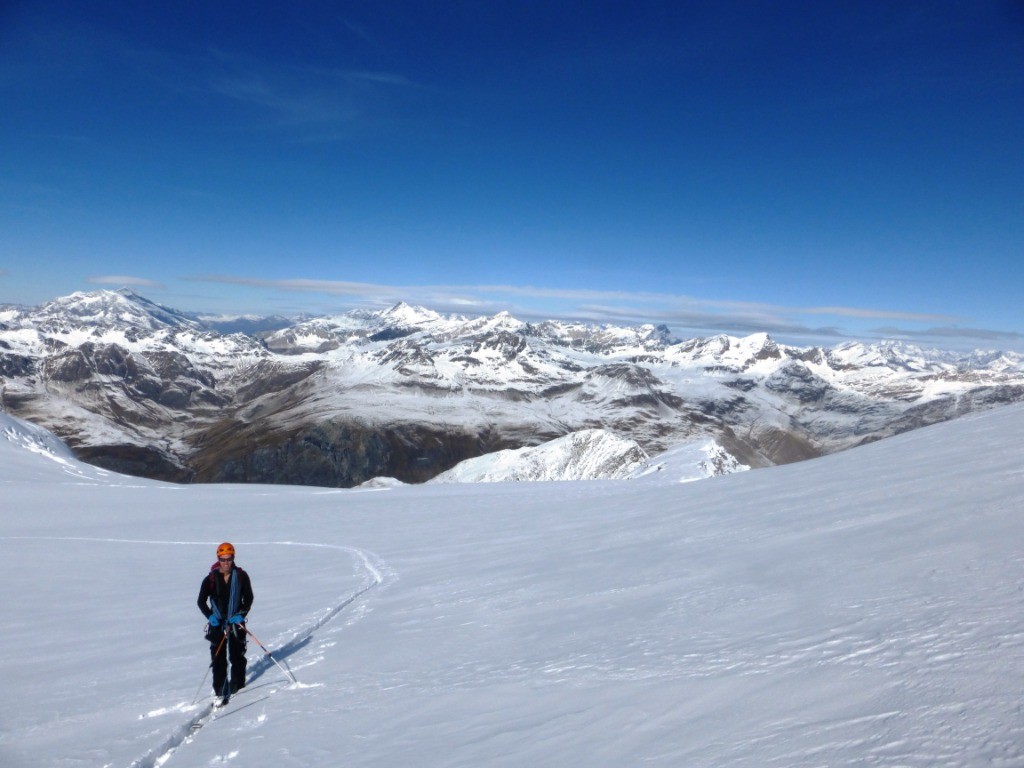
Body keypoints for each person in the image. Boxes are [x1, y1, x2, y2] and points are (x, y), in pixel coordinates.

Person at [197, 542, 254, 699]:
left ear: (233, 559)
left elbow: (248, 598)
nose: (226, 563)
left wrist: (242, 613)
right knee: (218, 659)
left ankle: (238, 687)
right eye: (222, 559)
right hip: (217, 624)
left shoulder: (242, 576)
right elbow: (201, 601)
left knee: (237, 656)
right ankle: (220, 690)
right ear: (218, 559)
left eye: (229, 559)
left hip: (236, 622)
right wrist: (210, 616)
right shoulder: (210, 579)